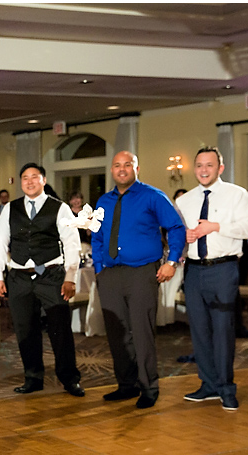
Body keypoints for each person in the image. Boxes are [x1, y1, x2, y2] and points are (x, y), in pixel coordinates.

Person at [91, 151, 185, 409]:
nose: (122, 170)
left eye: (127, 165)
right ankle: (126, 385)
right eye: (117, 165)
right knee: (116, 333)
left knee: (142, 332)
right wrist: (99, 268)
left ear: (136, 168)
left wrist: (171, 261)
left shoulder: (152, 196)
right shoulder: (103, 201)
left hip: (142, 273)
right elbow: (97, 237)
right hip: (109, 274)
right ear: (111, 170)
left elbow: (176, 228)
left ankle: (148, 387)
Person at [0, 163, 84, 397]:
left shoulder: (60, 208)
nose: (30, 181)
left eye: (35, 177)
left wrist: (71, 278)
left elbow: (72, 245)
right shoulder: (10, 209)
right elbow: (0, 245)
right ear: (20, 182)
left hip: (51, 276)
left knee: (59, 330)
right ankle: (33, 377)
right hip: (19, 277)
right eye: (25, 178)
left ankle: (69, 379)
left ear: (43, 180)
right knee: (25, 330)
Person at [175, 147, 248, 412]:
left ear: (220, 168)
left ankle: (226, 389)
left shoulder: (237, 194)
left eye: (209, 165)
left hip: (223, 269)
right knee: (199, 331)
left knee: (222, 330)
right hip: (194, 271)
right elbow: (177, 237)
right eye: (199, 165)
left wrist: (216, 227)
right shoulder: (184, 200)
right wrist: (185, 239)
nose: (203, 170)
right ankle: (208, 384)